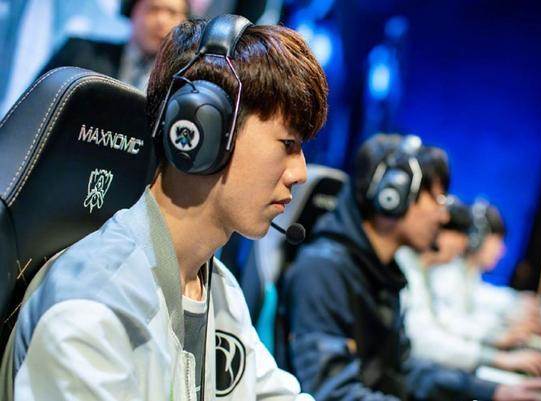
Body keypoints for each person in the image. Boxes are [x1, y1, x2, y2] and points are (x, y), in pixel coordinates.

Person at [1, 15, 328, 401]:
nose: (300, 173)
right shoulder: (92, 310)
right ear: (201, 132)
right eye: (288, 144)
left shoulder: (217, 289)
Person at [281, 134, 541, 401]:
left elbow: (406, 371)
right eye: (437, 199)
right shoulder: (322, 271)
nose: (443, 216)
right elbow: (333, 393)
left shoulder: (381, 275)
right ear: (392, 195)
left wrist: (494, 392)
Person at [398, 197, 541, 375]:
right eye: (497, 242)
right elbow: (433, 333)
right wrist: (496, 347)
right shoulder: (429, 271)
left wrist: (511, 315)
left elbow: (477, 302)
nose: (462, 245)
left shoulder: (427, 270)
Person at [40, 0, 189, 90]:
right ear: (131, 12)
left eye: (172, 13)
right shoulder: (78, 52)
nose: (161, 21)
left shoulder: (186, 82)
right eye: (153, 9)